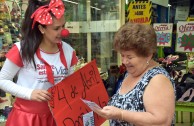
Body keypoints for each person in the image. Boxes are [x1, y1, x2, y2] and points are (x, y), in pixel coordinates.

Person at [0, 0, 78, 125]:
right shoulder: (22, 50)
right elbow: (2, 80)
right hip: (27, 118)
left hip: (58, 116)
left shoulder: (68, 50)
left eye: (63, 26)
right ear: (42, 28)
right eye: (56, 28)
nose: (63, 32)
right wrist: (29, 93)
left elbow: (70, 82)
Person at [93, 22, 176, 126]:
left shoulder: (158, 79)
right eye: (122, 55)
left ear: (148, 55)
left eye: (129, 57)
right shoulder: (132, 72)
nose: (124, 61)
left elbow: (162, 122)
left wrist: (121, 114)